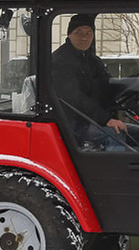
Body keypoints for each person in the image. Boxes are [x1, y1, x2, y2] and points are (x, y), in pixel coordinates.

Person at [52, 14, 130, 149]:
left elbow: (108, 86)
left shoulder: (93, 61)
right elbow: (75, 98)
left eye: (88, 33)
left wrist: (135, 80)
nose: (84, 37)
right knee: (115, 133)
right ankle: (115, 163)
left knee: (136, 132)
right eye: (78, 32)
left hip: (91, 119)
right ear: (69, 35)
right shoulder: (59, 61)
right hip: (72, 123)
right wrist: (106, 119)